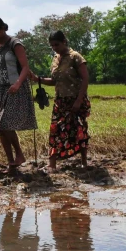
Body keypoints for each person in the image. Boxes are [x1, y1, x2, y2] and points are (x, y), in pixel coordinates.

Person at [0, 16, 37, 173]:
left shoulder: (15, 44)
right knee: (1, 129)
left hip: (17, 89)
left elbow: (25, 68)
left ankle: (20, 155)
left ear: (3, 28)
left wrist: (17, 84)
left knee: (5, 123)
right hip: (3, 90)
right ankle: (11, 163)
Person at [30, 31, 90, 172]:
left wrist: (78, 101)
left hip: (76, 100)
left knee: (79, 130)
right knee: (55, 131)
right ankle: (52, 164)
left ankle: (84, 161)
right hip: (60, 101)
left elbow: (85, 79)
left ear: (64, 41)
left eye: (56, 44)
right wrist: (37, 79)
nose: (54, 48)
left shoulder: (76, 57)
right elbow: (55, 81)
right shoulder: (56, 59)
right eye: (52, 45)